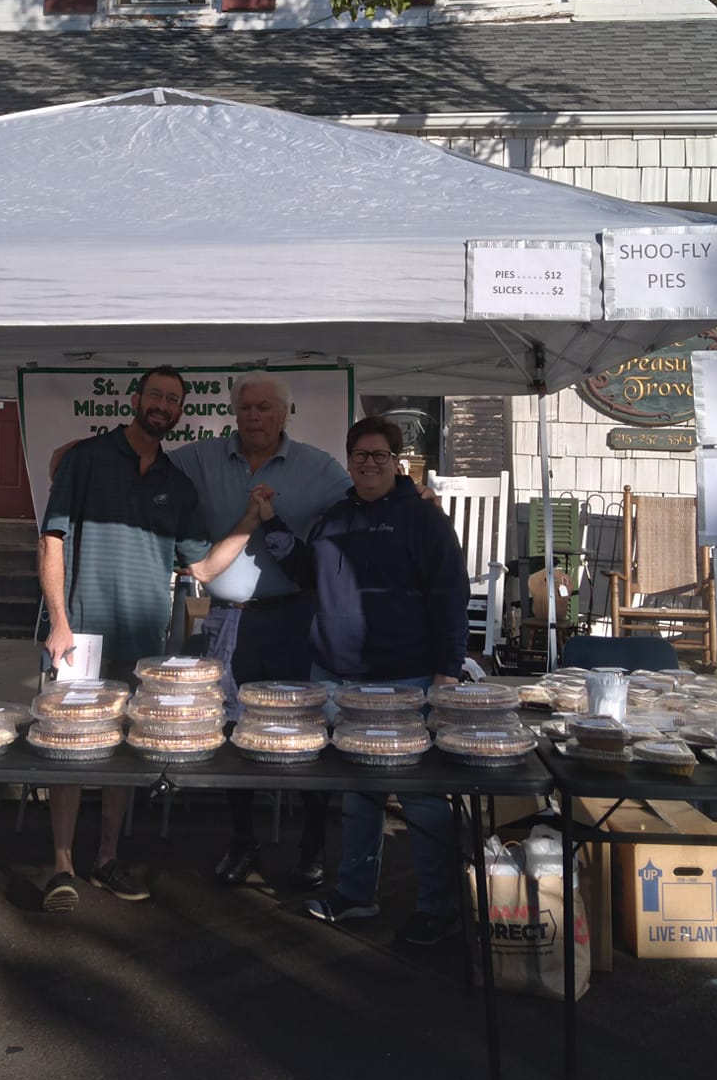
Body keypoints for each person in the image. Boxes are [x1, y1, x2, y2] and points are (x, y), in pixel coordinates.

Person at [37, 364, 273, 913]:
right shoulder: (86, 460)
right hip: (79, 636)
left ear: (179, 412)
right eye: (156, 396)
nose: (163, 406)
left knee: (123, 749)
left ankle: (106, 859)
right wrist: (59, 621)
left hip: (142, 643)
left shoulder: (176, 484)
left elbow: (203, 568)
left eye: (173, 400)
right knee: (69, 747)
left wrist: (249, 519)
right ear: (136, 399)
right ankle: (61, 867)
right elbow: (52, 541)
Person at [259, 415, 472, 948]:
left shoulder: (423, 520)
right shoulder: (335, 517)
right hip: (336, 678)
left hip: (406, 681)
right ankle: (356, 893)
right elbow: (305, 571)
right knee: (357, 793)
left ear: (397, 462)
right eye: (360, 455)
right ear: (349, 460)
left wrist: (447, 671)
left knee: (422, 798)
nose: (369, 464)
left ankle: (439, 906)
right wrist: (270, 522)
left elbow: (451, 595)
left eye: (380, 455)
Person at [171, 371, 350, 888]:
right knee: (233, 728)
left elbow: (362, 500)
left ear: (285, 414)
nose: (254, 417)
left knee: (307, 730)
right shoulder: (199, 459)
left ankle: (312, 845)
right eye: (246, 407)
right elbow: (146, 469)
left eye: (264, 408)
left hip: (297, 617)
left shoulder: (318, 467)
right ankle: (242, 840)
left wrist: (414, 497)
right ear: (234, 412)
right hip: (228, 618)